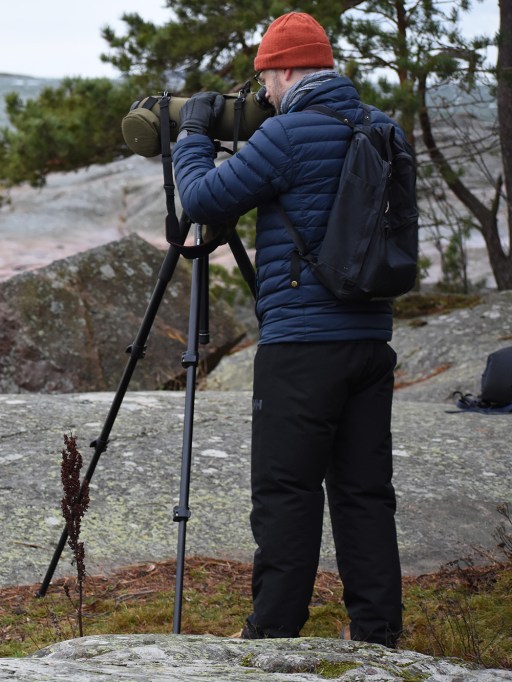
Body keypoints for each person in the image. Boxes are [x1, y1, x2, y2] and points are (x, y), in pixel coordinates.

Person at [171, 12, 407, 647]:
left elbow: (200, 201)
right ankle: (379, 633)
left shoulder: (287, 136)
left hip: (302, 345)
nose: (263, 94)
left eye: (265, 79)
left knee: (286, 492)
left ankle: (274, 631)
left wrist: (191, 136)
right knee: (364, 492)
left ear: (283, 69)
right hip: (369, 339)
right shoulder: (385, 128)